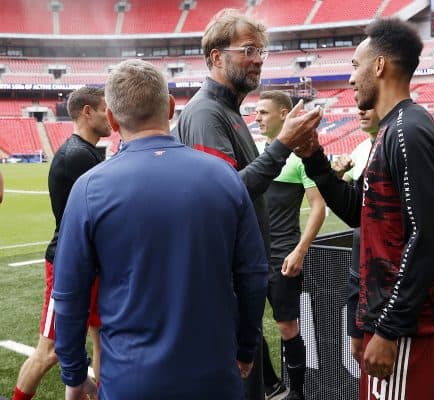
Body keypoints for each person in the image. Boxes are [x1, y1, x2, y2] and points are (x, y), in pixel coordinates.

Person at [52, 59, 269, 399]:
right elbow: (254, 275)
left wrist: (75, 375)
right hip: (215, 376)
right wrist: (245, 347)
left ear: (111, 118)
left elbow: (68, 295)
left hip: (130, 381)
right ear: (170, 108)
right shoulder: (224, 176)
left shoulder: (89, 188)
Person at [295, 17, 434, 400]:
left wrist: (388, 329)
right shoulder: (391, 129)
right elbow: (361, 214)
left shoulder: (408, 132)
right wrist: (314, 158)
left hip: (407, 332)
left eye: (355, 66)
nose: (350, 79)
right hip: (393, 324)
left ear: (379, 66)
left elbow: (427, 235)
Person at [174, 10, 321, 399]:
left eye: (262, 50)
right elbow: (224, 195)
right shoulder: (206, 112)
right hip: (224, 290)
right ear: (216, 57)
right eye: (249, 49)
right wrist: (282, 145)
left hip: (241, 284)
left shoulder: (228, 112)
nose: (258, 58)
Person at [12, 87, 110, 400]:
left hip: (92, 262)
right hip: (69, 265)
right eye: (105, 108)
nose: (112, 115)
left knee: (102, 336)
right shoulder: (78, 155)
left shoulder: (90, 151)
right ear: (87, 112)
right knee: (50, 350)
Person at [254, 91, 326, 400]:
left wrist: (300, 250)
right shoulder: (257, 154)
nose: (257, 117)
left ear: (284, 115)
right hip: (252, 258)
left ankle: (296, 392)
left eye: (263, 112)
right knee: (246, 326)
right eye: (256, 112)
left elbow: (319, 208)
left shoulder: (298, 157)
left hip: (283, 257)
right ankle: (270, 384)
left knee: (286, 327)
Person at [331, 109, 380, 365]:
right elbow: (347, 202)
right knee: (358, 351)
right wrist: (337, 175)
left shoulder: (396, 145)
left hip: (383, 274)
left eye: (370, 105)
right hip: (358, 266)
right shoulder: (362, 149)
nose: (362, 110)